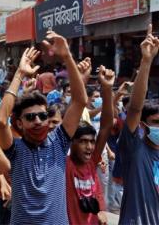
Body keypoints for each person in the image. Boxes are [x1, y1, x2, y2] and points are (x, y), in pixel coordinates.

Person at [0, 32, 88, 224]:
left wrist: (67, 57)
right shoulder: (15, 150)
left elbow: (80, 101)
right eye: (30, 117)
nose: (38, 121)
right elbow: (2, 121)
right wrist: (19, 74)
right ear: (20, 123)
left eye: (42, 116)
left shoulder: (60, 141)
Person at [118, 24, 159, 224]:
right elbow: (135, 108)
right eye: (156, 122)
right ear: (142, 125)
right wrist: (146, 61)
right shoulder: (135, 148)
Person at [66, 65, 114, 225]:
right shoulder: (64, 165)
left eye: (92, 142)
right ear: (71, 142)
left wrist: (107, 89)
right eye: (83, 142)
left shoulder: (92, 161)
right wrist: (80, 78)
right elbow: (74, 106)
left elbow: (106, 126)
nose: (89, 147)